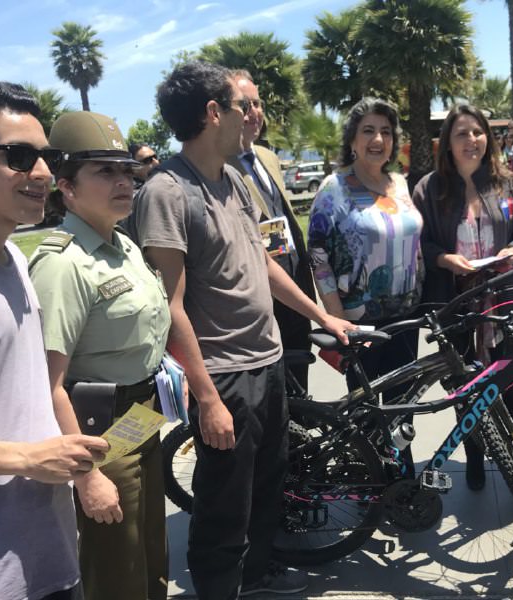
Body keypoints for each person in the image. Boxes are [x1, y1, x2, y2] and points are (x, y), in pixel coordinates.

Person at [131, 61, 352, 599]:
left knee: (265, 488)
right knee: (224, 506)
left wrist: (321, 314)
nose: (249, 117)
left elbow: (264, 262)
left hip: (269, 362)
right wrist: (206, 398)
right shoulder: (167, 192)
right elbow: (171, 306)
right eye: (240, 106)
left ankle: (254, 581)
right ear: (213, 113)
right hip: (225, 377)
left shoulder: (233, 179)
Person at [0, 80, 109, 600]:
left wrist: (80, 472)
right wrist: (24, 459)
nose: (42, 173)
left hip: (47, 555)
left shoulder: (15, 258)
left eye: (47, 156)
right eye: (19, 156)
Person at [29, 111, 172, 600]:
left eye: (126, 171)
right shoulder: (63, 262)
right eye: (104, 172)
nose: (123, 181)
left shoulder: (124, 246)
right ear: (65, 186)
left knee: (152, 553)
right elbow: (46, 384)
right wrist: (87, 476)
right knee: (117, 570)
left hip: (143, 414)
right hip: (99, 430)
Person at [412, 104, 513, 490]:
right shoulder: (429, 189)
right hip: (454, 302)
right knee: (466, 384)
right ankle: (474, 455)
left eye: (477, 132)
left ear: (488, 137)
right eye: (461, 134)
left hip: (501, 297)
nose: (471, 141)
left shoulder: (509, 184)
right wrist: (443, 258)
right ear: (447, 144)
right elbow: (421, 241)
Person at [308, 98, 422, 396]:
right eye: (368, 130)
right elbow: (318, 256)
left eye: (386, 131)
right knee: (368, 420)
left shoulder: (400, 184)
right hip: (361, 325)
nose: (378, 139)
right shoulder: (335, 187)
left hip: (408, 318)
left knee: (403, 413)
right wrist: (336, 317)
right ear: (353, 140)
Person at [226, 70, 317, 390]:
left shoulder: (266, 156)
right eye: (244, 105)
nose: (254, 113)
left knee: (302, 391)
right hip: (259, 307)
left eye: (257, 103)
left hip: (295, 297)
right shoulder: (219, 168)